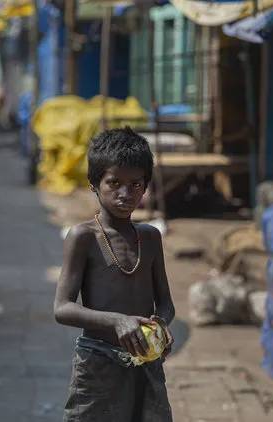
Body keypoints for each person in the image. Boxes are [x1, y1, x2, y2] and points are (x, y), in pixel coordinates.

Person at [54, 127, 176, 421]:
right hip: (98, 363)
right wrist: (117, 321)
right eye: (114, 183)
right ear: (94, 184)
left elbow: (166, 304)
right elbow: (62, 308)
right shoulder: (83, 237)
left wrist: (160, 326)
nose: (125, 193)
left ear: (146, 187)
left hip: (146, 362)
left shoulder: (149, 237)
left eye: (135, 184)